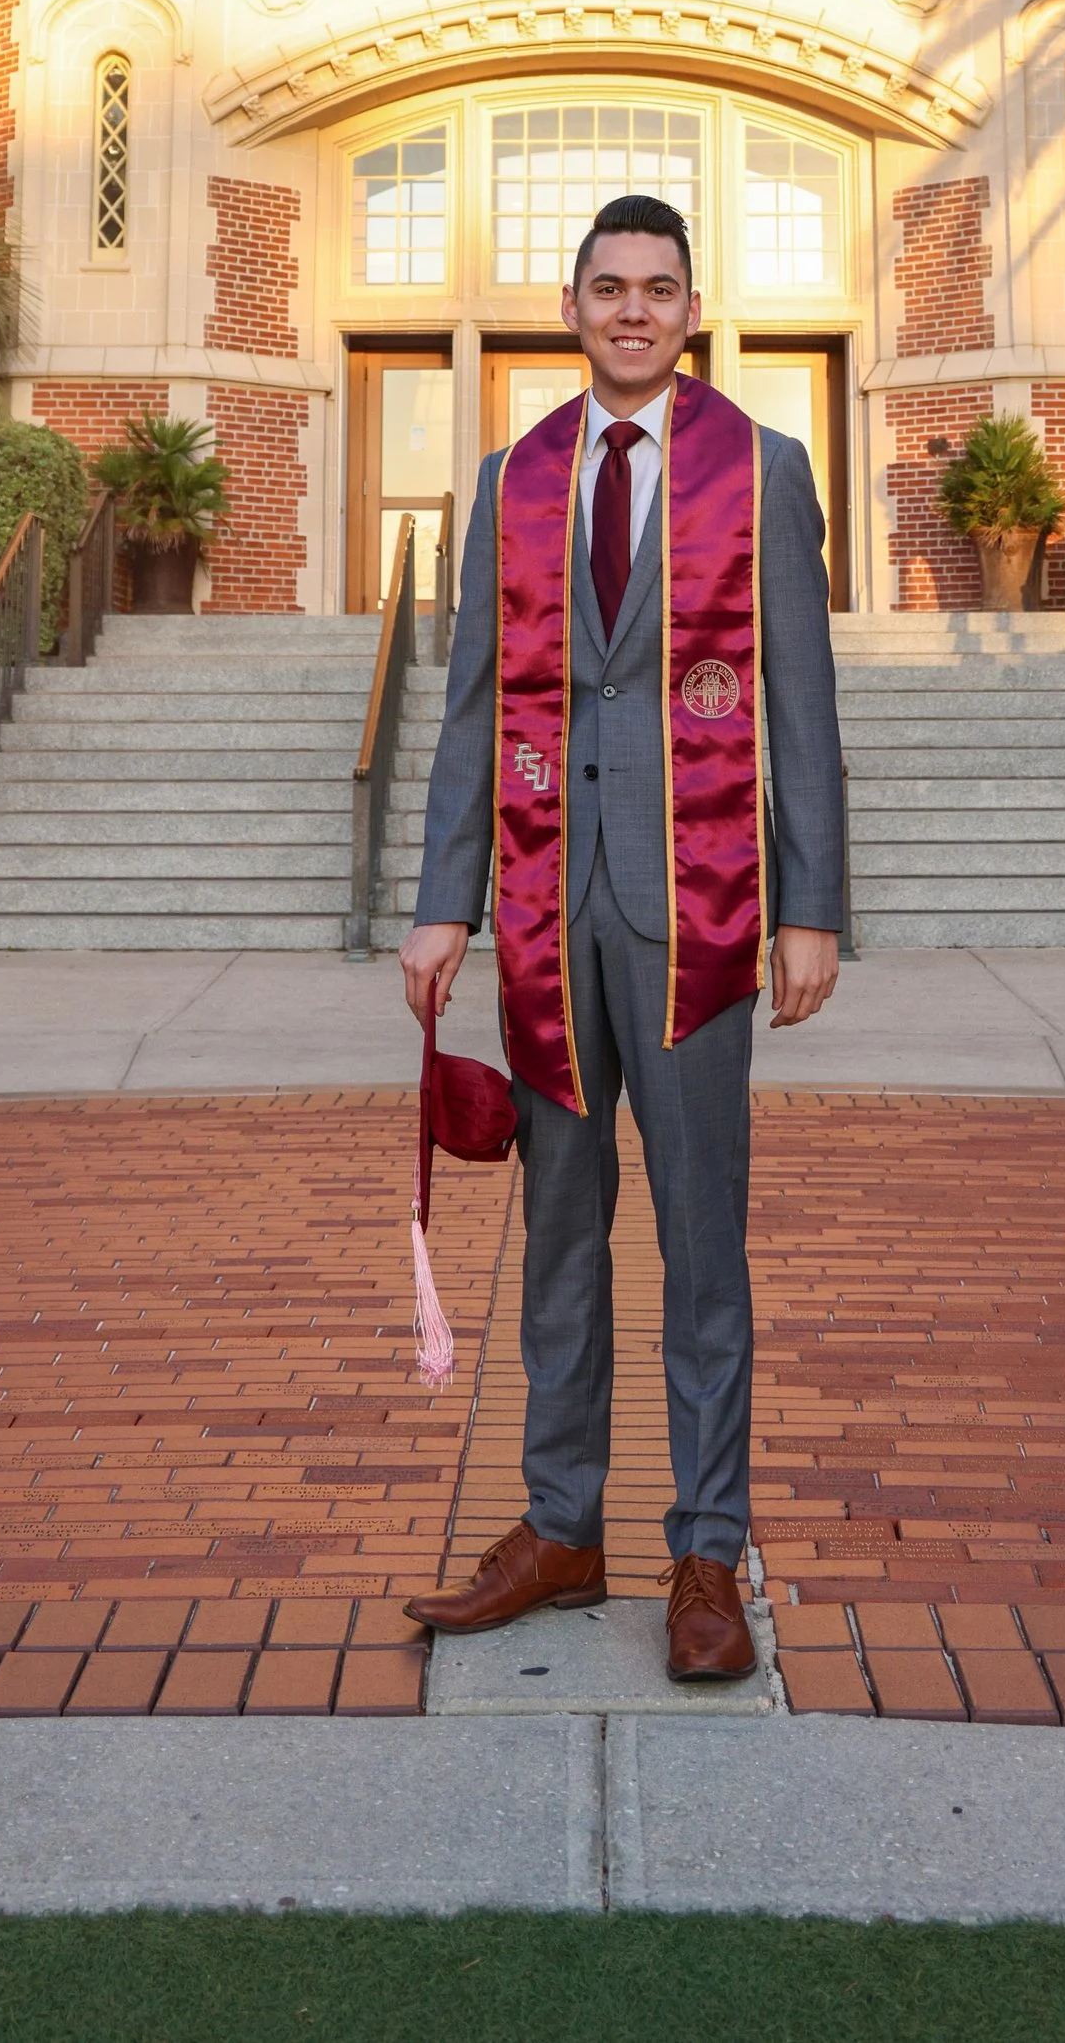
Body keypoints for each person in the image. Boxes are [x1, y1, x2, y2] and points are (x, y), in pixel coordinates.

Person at [399, 191, 844, 1681]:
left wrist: (813, 907)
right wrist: (441, 899)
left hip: (700, 913)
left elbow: (803, 706)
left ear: (692, 311)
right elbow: (472, 704)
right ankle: (562, 1525)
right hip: (539, 907)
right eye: (609, 288)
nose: (634, 310)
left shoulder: (763, 471)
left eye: (660, 288)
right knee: (560, 1242)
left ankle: (704, 1553)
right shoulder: (514, 479)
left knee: (702, 1243)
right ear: (573, 307)